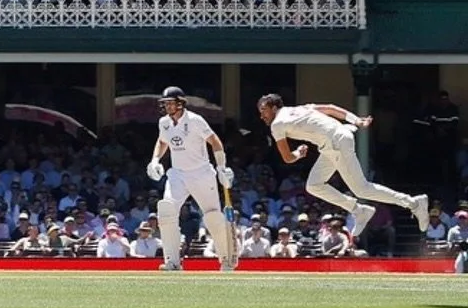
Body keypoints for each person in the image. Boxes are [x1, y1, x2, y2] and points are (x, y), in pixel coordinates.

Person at [256, 92, 428, 235]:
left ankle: (413, 203)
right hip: (335, 140)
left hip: (335, 143)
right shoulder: (299, 109)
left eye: (264, 110)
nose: (261, 115)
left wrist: (298, 154)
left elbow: (287, 158)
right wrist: (356, 120)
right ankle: (358, 210)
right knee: (314, 185)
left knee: (362, 189)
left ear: (274, 108)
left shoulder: (277, 125)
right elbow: (330, 108)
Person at [146, 85, 236, 272]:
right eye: (166, 103)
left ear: (180, 104)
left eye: (171, 103)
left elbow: (215, 141)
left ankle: (226, 259)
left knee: (212, 216)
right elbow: (163, 141)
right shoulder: (164, 122)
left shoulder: (195, 120)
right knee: (166, 210)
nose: (168, 106)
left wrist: (221, 167)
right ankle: (172, 262)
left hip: (201, 173)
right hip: (177, 174)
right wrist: (155, 159)